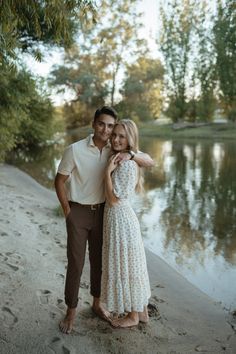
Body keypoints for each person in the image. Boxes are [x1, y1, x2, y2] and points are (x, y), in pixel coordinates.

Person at [54, 107, 153, 334]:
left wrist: (131, 154)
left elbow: (149, 160)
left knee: (100, 263)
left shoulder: (115, 148)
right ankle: (71, 311)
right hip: (78, 212)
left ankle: (97, 304)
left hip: (104, 214)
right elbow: (59, 181)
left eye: (110, 126)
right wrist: (67, 210)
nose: (106, 130)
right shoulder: (74, 150)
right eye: (102, 124)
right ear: (93, 123)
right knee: (76, 264)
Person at [101, 119, 151, 328]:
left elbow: (113, 199)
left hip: (120, 218)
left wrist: (106, 173)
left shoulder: (128, 163)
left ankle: (132, 316)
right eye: (115, 135)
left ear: (130, 139)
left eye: (122, 136)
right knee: (131, 264)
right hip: (120, 217)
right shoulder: (120, 157)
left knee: (125, 266)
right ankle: (143, 313)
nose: (116, 139)